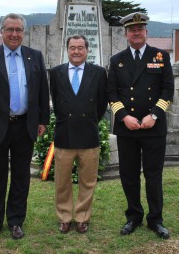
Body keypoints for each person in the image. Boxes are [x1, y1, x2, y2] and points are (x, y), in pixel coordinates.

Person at [0, 13, 50, 240]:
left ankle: (16, 221)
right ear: (2, 31)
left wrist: (43, 119)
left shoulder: (35, 56)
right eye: (10, 30)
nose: (15, 34)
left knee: (21, 177)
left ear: (23, 33)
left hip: (25, 126)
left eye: (19, 30)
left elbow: (43, 91)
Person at [107, 12, 174, 239]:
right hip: (128, 128)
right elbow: (112, 93)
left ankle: (156, 219)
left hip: (153, 127)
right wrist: (125, 116)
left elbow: (167, 90)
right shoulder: (117, 60)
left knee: (153, 175)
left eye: (140, 29)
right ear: (126, 34)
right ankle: (133, 216)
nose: (136, 33)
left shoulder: (161, 56)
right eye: (132, 30)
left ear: (146, 32)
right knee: (129, 174)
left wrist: (153, 115)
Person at [50, 34, 108, 234]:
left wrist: (88, 120)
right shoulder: (56, 73)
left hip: (88, 135)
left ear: (87, 50)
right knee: (62, 180)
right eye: (72, 48)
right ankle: (65, 217)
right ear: (67, 50)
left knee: (88, 180)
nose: (76, 51)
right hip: (64, 135)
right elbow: (56, 103)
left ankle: (82, 217)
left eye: (80, 48)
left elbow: (101, 105)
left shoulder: (99, 73)